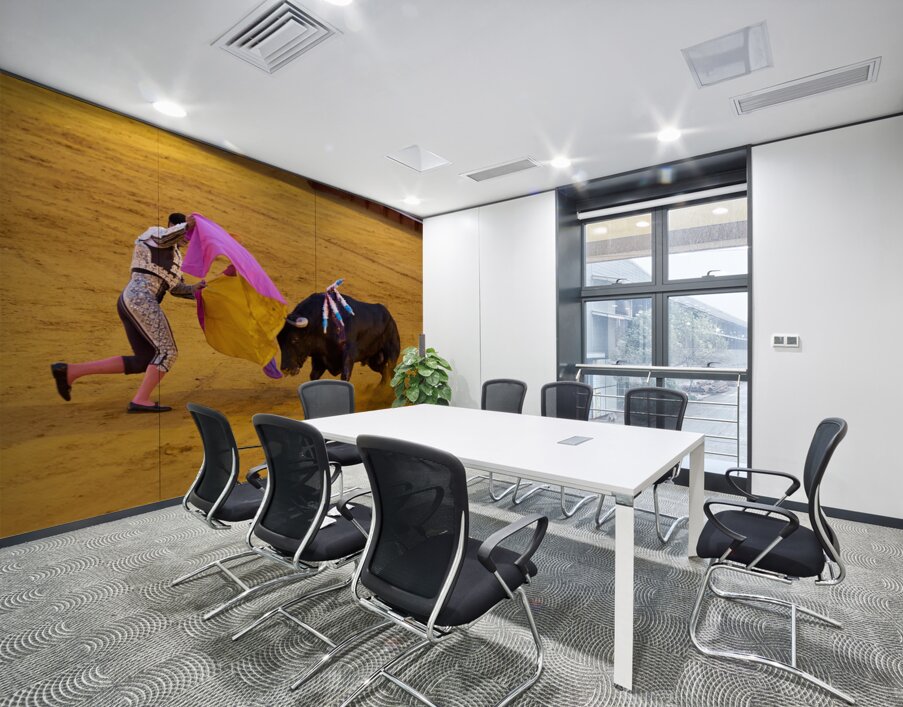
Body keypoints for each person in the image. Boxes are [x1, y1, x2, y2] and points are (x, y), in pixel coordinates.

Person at [51, 213, 205, 413]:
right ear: (172, 225)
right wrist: (186, 226)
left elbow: (177, 289)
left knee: (144, 359)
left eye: (190, 235)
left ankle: (70, 371)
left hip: (133, 301)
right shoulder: (155, 233)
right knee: (167, 352)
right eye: (187, 233)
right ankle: (141, 399)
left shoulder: (176, 258)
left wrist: (198, 289)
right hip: (141, 299)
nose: (187, 238)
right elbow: (165, 238)